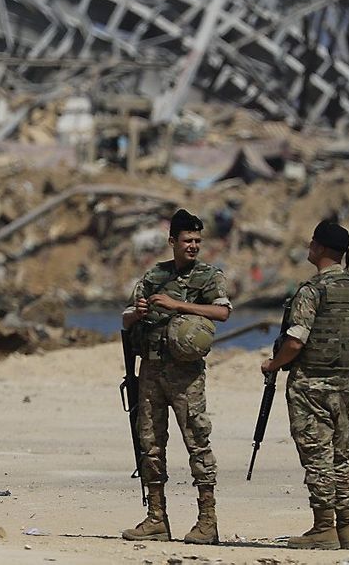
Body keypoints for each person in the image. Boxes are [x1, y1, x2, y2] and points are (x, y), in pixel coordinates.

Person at [260, 220, 349, 550]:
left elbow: (295, 342)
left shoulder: (312, 290)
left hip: (309, 386)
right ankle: (347, 528)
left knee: (318, 458)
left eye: (312, 242)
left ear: (318, 248)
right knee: (339, 457)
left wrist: (272, 364)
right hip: (342, 384)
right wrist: (343, 337)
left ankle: (323, 529)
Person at [121, 209, 232, 544]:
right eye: (187, 240)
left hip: (186, 376)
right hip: (151, 371)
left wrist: (179, 306)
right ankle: (156, 518)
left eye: (198, 240)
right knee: (150, 445)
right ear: (173, 241)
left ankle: (207, 521)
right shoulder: (154, 276)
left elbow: (223, 312)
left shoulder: (208, 277)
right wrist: (136, 313)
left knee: (198, 443)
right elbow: (126, 320)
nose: (193, 246)